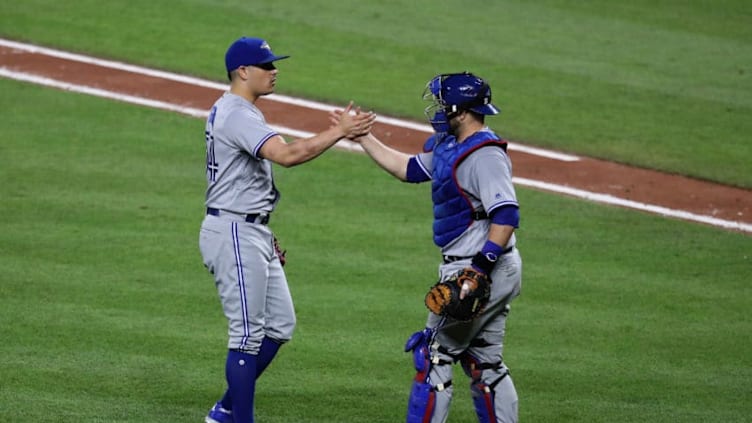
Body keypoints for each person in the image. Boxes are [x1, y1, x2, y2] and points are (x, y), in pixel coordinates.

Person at [199, 36, 375, 423]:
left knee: (279, 324)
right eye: (267, 66)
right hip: (234, 230)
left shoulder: (239, 109)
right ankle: (236, 418)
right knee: (246, 335)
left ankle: (227, 408)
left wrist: (260, 228)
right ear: (243, 72)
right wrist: (340, 132)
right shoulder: (238, 114)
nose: (275, 71)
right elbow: (289, 155)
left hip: (248, 228)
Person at [352, 72, 522, 422]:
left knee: (433, 354)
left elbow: (505, 214)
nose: (438, 109)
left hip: (479, 270)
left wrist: (478, 270)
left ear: (461, 110)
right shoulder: (451, 148)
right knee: (485, 360)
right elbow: (408, 169)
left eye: (443, 104)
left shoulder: (484, 156)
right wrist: (363, 137)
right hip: (482, 269)